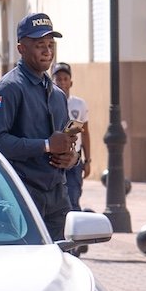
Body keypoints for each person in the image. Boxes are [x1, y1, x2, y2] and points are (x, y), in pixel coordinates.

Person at [0, 13, 79, 240]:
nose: (47, 51)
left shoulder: (57, 94)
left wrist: (70, 158)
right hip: (21, 194)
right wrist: (45, 145)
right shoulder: (9, 88)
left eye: (50, 45)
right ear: (21, 48)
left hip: (57, 194)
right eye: (39, 45)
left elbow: (65, 143)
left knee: (63, 263)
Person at [52, 62, 91, 212]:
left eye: (65, 79)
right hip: (55, 159)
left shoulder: (78, 104)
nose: (62, 82)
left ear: (71, 82)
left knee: (73, 199)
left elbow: (84, 132)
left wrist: (87, 160)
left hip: (73, 159)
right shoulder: (48, 102)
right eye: (58, 79)